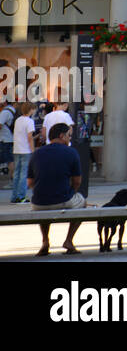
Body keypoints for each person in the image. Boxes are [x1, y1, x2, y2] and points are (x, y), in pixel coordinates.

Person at [28, 122, 85, 256]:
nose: (70, 138)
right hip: (62, 199)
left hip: (38, 203)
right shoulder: (71, 152)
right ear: (62, 136)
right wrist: (71, 192)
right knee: (82, 201)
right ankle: (69, 240)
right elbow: (77, 181)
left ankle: (45, 241)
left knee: (43, 204)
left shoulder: (37, 153)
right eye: (69, 135)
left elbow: (30, 182)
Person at [10, 102, 35, 203]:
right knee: (24, 174)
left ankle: (14, 196)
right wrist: (32, 150)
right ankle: (21, 196)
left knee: (17, 173)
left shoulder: (18, 120)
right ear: (31, 110)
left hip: (17, 149)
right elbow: (30, 137)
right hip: (26, 150)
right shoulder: (29, 121)